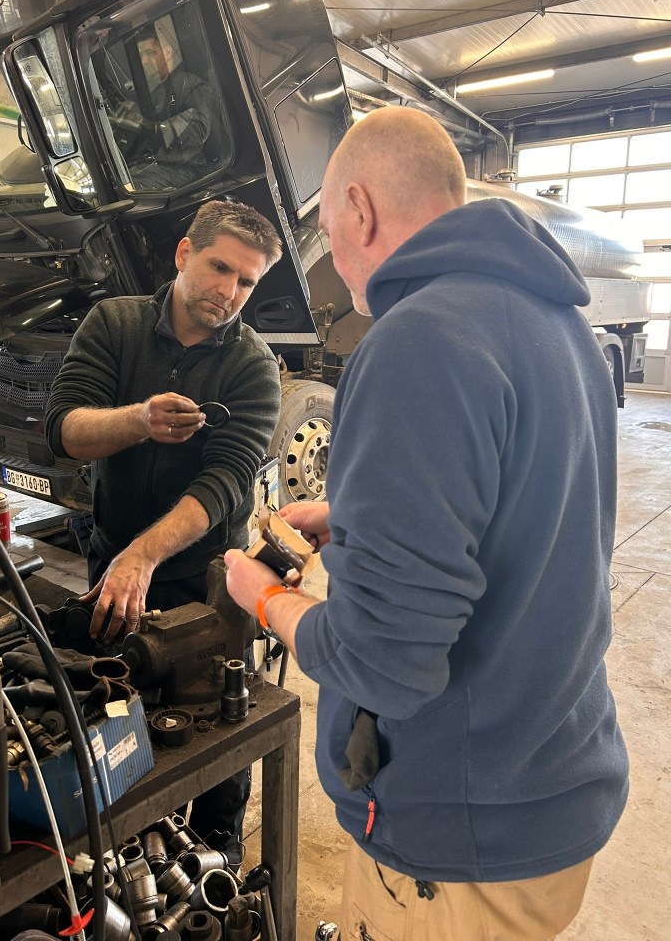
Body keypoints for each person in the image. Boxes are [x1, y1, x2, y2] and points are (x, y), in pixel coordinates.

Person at [224, 108, 629, 940]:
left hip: (460, 835)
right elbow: (524, 499)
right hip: (553, 783)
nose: (337, 267)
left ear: (361, 212)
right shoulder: (560, 326)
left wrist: (265, 599)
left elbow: (384, 661)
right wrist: (358, 513)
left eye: (333, 239)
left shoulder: (418, 338)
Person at [45, 198, 283, 858]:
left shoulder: (254, 367)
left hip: (207, 594)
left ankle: (217, 875)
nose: (228, 292)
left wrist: (143, 558)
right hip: (111, 571)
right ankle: (129, 872)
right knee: (114, 733)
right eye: (219, 268)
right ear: (184, 253)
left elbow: (224, 483)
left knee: (217, 752)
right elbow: (63, 430)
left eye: (246, 281)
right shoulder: (115, 325)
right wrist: (139, 421)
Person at [112, 19, 216, 191]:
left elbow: (199, 129)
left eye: (150, 53)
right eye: (141, 56)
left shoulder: (190, 85)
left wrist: (152, 127)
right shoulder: (150, 91)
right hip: (152, 163)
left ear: (167, 53)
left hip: (183, 168)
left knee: (124, 191)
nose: (144, 61)